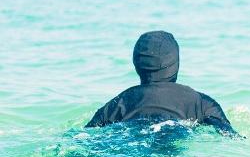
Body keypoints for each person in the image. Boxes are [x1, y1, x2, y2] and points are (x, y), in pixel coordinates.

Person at [85, 31, 237, 135]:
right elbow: (229, 135)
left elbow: (87, 134)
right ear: (175, 64)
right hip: (173, 135)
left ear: (136, 64)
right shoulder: (201, 103)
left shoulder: (118, 103)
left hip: (128, 139)